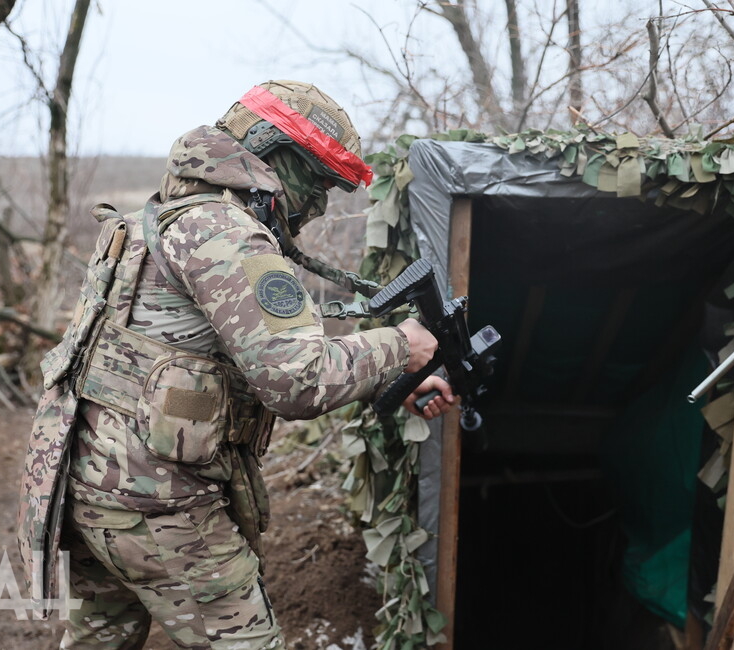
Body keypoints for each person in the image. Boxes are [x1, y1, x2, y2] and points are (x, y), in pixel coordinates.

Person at [46, 80, 454, 649]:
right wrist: (398, 346)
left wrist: (390, 373)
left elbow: (245, 352)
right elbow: (296, 379)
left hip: (90, 488)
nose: (318, 205)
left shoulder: (165, 216)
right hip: (156, 506)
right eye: (317, 180)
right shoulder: (227, 233)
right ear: (269, 152)